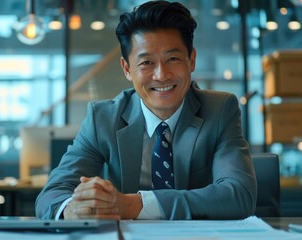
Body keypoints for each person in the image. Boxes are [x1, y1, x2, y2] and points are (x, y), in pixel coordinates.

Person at [36, 0, 256, 220]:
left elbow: (238, 195)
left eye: (172, 59)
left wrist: (136, 205)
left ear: (192, 60)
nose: (161, 75)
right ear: (127, 69)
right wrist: (72, 209)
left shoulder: (219, 110)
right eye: (146, 63)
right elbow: (51, 195)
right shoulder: (103, 119)